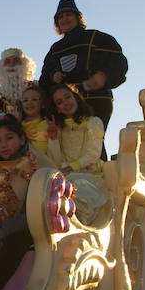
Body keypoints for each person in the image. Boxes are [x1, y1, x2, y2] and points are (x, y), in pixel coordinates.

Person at [0, 116, 55, 290]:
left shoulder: (36, 166)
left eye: (9, 138)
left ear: (22, 139)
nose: (4, 145)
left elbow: (36, 211)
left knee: (17, 242)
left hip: (24, 228)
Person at [39, 0, 128, 158]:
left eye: (68, 15)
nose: (64, 19)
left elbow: (119, 63)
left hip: (95, 98)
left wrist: (104, 75)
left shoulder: (97, 37)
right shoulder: (55, 49)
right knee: (69, 144)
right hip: (66, 102)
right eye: (60, 17)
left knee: (92, 140)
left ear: (78, 17)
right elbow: (44, 78)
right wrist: (53, 75)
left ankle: (98, 177)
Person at [46, 84, 111, 226]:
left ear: (75, 97)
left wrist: (71, 168)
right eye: (59, 102)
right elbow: (55, 160)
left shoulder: (93, 122)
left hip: (91, 175)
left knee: (75, 190)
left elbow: (93, 154)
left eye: (67, 97)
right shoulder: (59, 129)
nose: (65, 103)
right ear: (57, 108)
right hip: (65, 176)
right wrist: (53, 138)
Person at [20, 86, 52, 155]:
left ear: (43, 104)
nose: (29, 103)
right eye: (25, 100)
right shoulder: (18, 126)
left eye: (34, 99)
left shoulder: (49, 125)